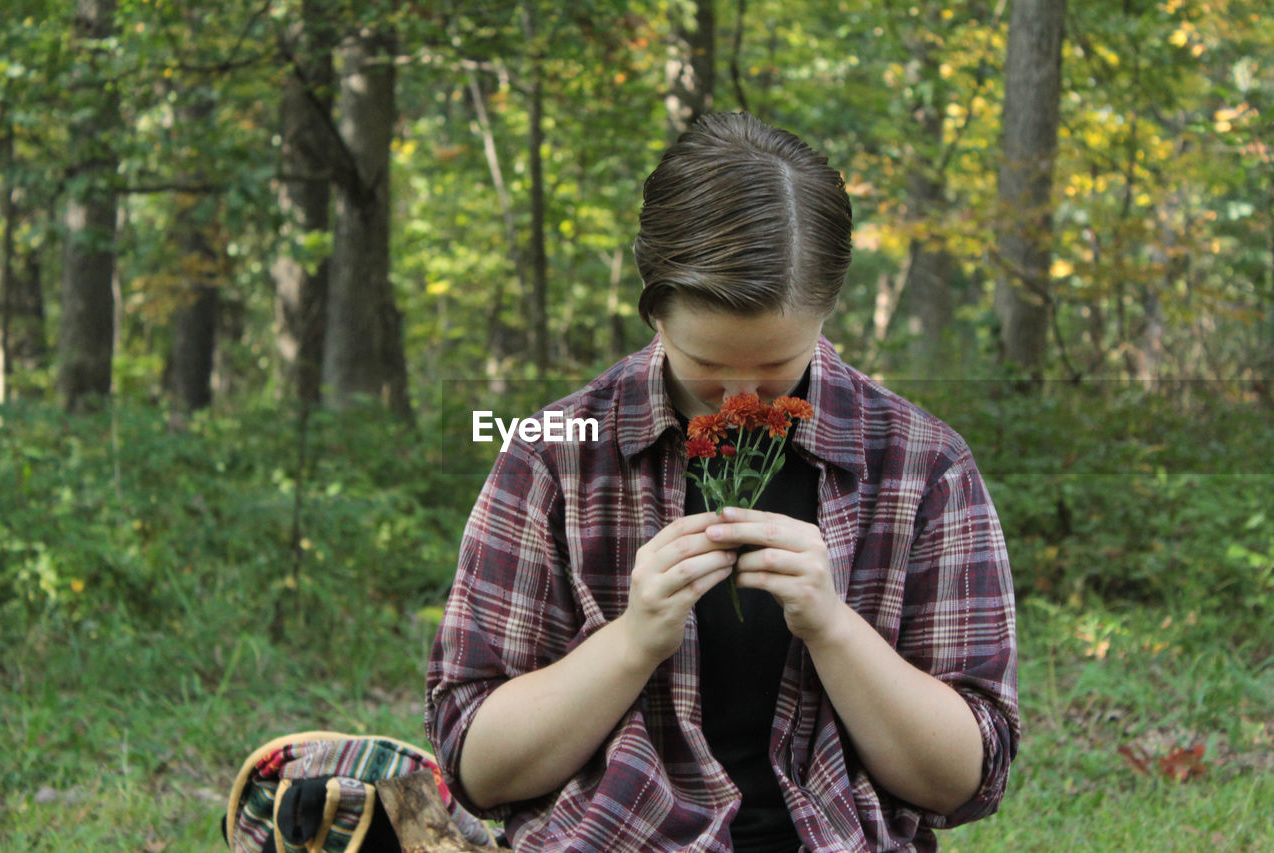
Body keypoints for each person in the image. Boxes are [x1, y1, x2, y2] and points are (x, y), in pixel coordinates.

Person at [426, 112, 1019, 853]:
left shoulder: (921, 463)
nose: (740, 396)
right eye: (706, 365)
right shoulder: (556, 451)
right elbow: (476, 767)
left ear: (826, 310)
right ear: (655, 312)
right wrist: (635, 637)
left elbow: (966, 781)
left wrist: (834, 628)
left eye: (775, 369)